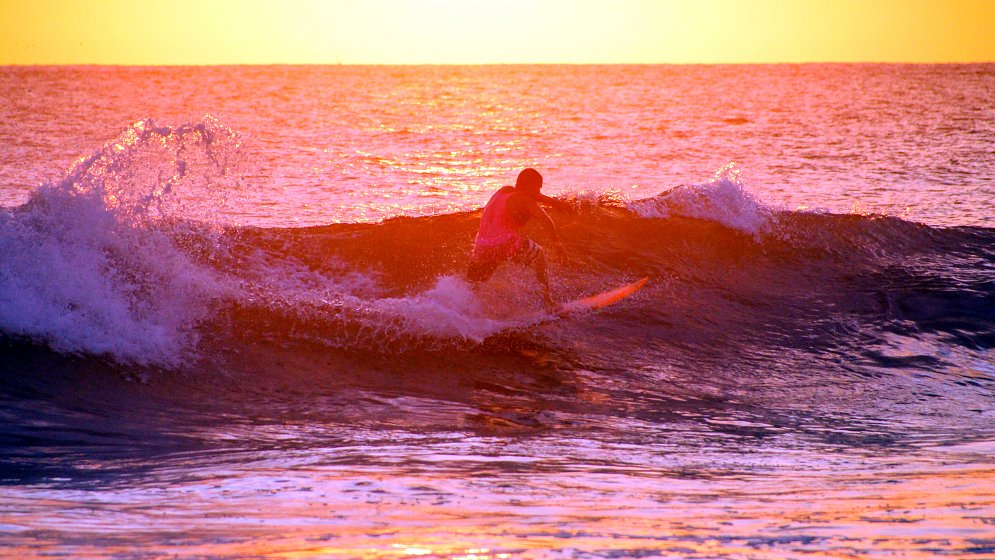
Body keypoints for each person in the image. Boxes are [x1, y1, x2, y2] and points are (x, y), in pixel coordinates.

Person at [466, 168, 571, 309]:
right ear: (529, 186)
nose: (539, 193)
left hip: (482, 245)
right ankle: (549, 302)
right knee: (539, 256)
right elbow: (545, 220)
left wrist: (555, 203)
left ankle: (466, 306)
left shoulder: (504, 191)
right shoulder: (525, 200)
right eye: (538, 188)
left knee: (476, 280)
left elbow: (535, 196)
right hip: (507, 243)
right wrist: (558, 246)